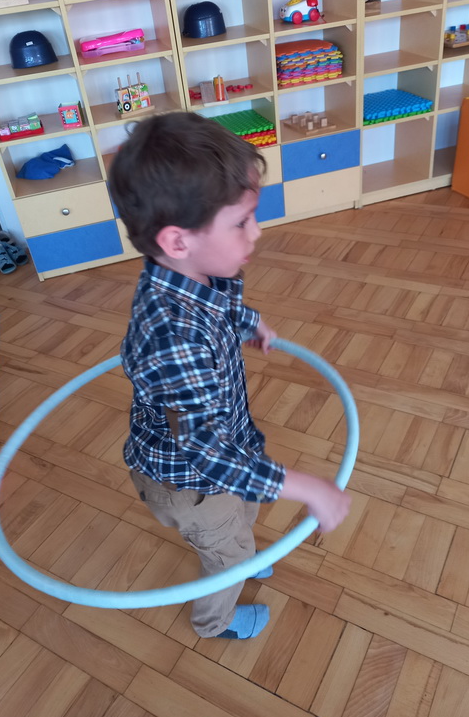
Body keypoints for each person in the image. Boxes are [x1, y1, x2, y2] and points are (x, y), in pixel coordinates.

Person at [109, 111, 352, 640]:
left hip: (224, 448)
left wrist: (246, 321)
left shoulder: (188, 273)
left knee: (241, 514)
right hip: (190, 480)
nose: (257, 232)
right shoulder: (175, 336)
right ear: (178, 241)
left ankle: (240, 549)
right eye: (241, 222)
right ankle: (214, 621)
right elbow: (208, 455)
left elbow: (218, 307)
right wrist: (309, 487)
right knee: (228, 555)